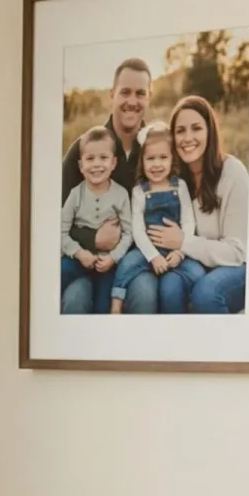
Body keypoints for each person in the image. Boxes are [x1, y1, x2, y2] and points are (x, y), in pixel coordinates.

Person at [140, 95, 248, 316]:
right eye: (180, 131)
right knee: (169, 288)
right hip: (193, 263)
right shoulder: (174, 179)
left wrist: (183, 241)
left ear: (210, 131)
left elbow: (236, 251)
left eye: (196, 128)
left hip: (236, 266)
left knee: (206, 292)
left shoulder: (232, 172)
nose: (188, 138)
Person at [60, 58, 151, 262]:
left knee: (144, 292)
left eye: (140, 93)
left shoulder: (156, 151)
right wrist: (93, 238)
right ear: (112, 95)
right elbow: (55, 218)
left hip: (141, 257)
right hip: (87, 259)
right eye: (125, 92)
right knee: (75, 294)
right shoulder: (83, 150)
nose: (132, 101)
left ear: (149, 97)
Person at [110, 123, 196, 315]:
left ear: (172, 159)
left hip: (176, 248)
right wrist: (153, 256)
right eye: (150, 159)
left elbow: (188, 221)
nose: (157, 164)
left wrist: (180, 251)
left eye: (163, 157)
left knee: (197, 272)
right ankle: (116, 302)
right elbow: (138, 230)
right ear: (142, 161)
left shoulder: (179, 186)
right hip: (147, 250)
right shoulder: (139, 191)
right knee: (127, 264)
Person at [59, 127, 131, 314]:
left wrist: (113, 258)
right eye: (90, 159)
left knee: (102, 307)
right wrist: (79, 253)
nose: (96, 164)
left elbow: (128, 233)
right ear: (81, 165)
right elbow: (61, 231)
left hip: (107, 264)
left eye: (103, 158)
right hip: (77, 258)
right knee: (58, 273)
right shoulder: (76, 194)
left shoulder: (121, 194)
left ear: (114, 162)